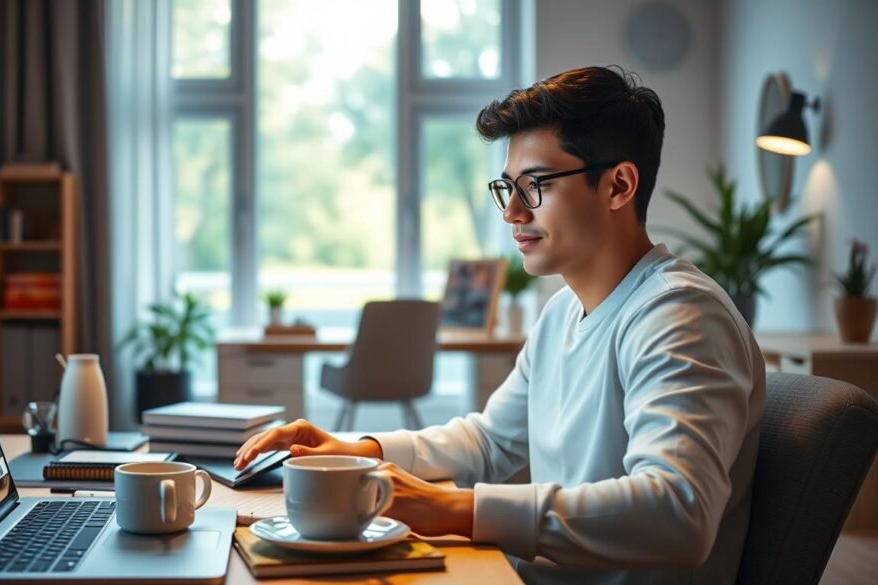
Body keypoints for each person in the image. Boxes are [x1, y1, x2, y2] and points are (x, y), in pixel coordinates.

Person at [234, 66, 766, 584]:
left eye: (534, 186)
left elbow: (678, 512)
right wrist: (363, 451)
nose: (511, 211)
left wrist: (454, 508)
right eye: (506, 187)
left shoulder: (678, 315)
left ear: (618, 186)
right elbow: (490, 443)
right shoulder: (562, 311)